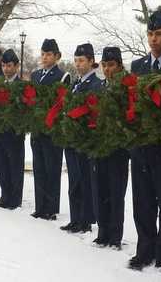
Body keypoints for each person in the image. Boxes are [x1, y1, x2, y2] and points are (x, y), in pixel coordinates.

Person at [128, 10, 161, 272]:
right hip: (140, 145)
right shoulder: (138, 67)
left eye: (159, 34)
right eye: (150, 34)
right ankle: (143, 251)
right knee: (142, 201)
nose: (153, 39)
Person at [60, 43, 101, 234]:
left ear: (91, 61)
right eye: (76, 60)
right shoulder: (76, 83)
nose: (78, 64)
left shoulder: (95, 85)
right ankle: (75, 217)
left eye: (81, 60)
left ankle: (84, 220)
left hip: (84, 140)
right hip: (72, 140)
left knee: (84, 181)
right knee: (74, 181)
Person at [93, 46, 130, 250]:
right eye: (105, 65)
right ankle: (102, 231)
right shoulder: (99, 87)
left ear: (119, 65)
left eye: (111, 65)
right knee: (101, 190)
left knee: (116, 191)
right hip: (100, 146)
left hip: (118, 149)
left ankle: (115, 235)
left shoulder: (125, 87)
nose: (107, 69)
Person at [30, 39, 71, 221]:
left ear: (57, 56)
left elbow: (62, 103)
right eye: (43, 54)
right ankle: (40, 206)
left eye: (48, 54)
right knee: (39, 168)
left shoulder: (62, 76)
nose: (45, 57)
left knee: (52, 168)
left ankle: (51, 208)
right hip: (37, 128)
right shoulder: (35, 75)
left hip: (53, 129)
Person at [0, 49, 25, 209]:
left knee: (14, 165)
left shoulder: (21, 86)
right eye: (4, 65)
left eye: (9, 65)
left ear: (16, 66)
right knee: (1, 165)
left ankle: (15, 198)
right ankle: (5, 195)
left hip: (14, 133)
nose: (6, 69)